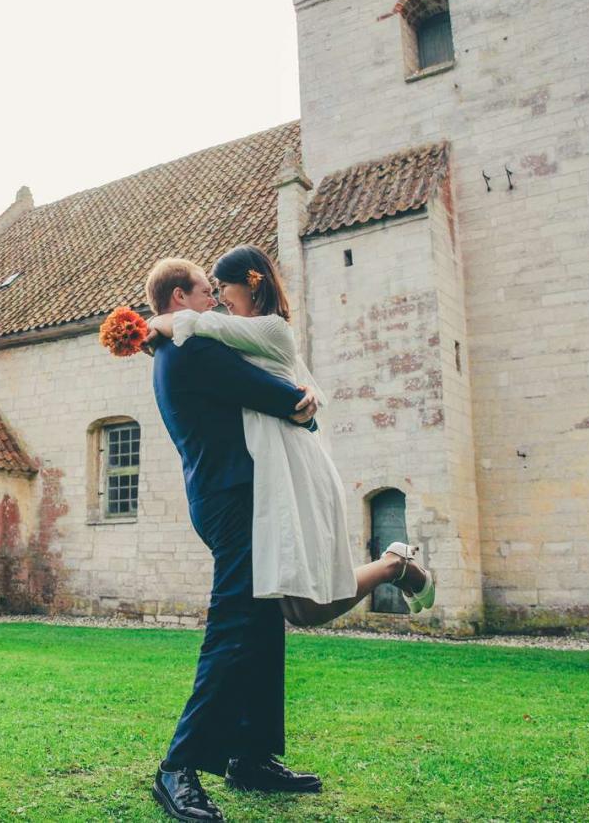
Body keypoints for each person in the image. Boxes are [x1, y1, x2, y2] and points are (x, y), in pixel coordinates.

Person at [148, 245, 435, 629]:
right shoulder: (238, 335)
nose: (219, 299)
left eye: (223, 287)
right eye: (212, 289)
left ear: (251, 284)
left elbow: (199, 327)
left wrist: (155, 325)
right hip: (273, 464)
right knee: (303, 611)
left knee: (306, 602)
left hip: (294, 466)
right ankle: (393, 565)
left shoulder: (270, 327)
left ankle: (395, 566)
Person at [145, 256, 327, 822]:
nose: (215, 300)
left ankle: (249, 757)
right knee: (232, 624)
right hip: (232, 500)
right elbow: (281, 397)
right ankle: (177, 767)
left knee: (263, 621)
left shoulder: (179, 346)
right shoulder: (192, 349)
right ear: (179, 298)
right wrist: (303, 400)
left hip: (230, 496)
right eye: (206, 290)